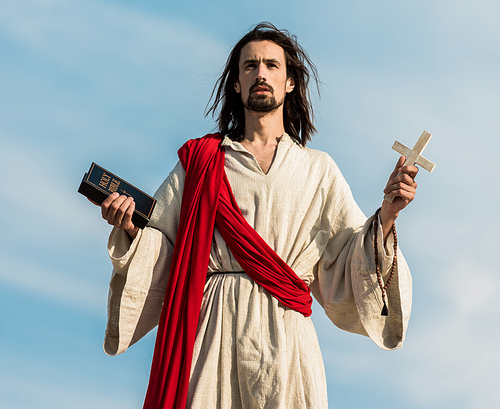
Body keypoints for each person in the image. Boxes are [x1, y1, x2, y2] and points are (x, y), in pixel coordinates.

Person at [97, 23, 417, 409]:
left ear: (289, 83)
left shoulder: (318, 170)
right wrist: (132, 230)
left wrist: (385, 216)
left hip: (287, 335)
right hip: (212, 327)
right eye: (249, 66)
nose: (260, 74)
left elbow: (349, 256)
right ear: (236, 83)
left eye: (271, 66)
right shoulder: (201, 162)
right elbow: (165, 245)